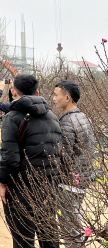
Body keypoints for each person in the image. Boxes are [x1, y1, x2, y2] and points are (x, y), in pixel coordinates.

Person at [0, 74, 62, 248]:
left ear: (14, 93)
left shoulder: (12, 117)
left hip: (22, 189)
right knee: (49, 238)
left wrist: (2, 181)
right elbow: (58, 154)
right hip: (48, 187)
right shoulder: (53, 117)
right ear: (37, 92)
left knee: (23, 241)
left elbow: (10, 158)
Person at [53, 81, 95, 247]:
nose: (54, 99)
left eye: (57, 95)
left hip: (69, 183)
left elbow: (64, 155)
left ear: (67, 97)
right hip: (81, 180)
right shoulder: (83, 117)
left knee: (70, 231)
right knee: (74, 226)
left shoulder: (68, 122)